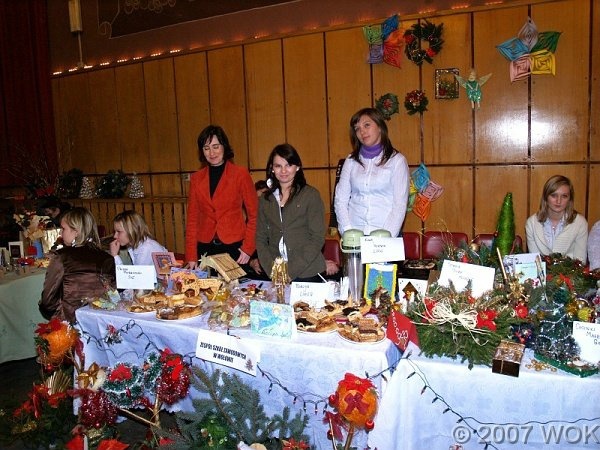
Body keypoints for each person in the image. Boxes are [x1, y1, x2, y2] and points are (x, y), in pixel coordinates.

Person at [256, 143, 337, 281]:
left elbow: (317, 238)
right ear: (272, 169)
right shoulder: (265, 199)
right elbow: (260, 238)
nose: (283, 171)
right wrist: (273, 271)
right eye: (278, 166)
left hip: (308, 272)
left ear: (297, 167)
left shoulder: (310, 195)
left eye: (288, 165)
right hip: (276, 273)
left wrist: (290, 271)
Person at [185, 125, 258, 270]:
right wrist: (191, 255)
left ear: (224, 146)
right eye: (206, 148)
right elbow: (192, 220)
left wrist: (248, 248)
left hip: (235, 248)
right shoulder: (196, 179)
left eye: (216, 146)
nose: (211, 153)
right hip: (205, 248)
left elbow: (255, 216)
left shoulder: (241, 174)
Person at [334, 107, 410, 237]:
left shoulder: (397, 161)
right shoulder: (351, 161)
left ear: (380, 127)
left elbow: (399, 205)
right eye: (357, 128)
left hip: (386, 234)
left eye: (367, 125)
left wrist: (385, 237)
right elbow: (340, 199)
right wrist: (347, 231)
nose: (362, 131)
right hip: (355, 234)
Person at [39, 207, 116, 323]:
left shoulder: (62, 257)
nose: (60, 232)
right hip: (101, 323)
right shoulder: (107, 258)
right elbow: (113, 296)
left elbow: (48, 300)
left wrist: (55, 311)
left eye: (63, 228)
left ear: (76, 232)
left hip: (70, 323)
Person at [525, 175, 588, 262]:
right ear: (546, 197)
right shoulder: (532, 223)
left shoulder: (580, 223)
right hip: (541, 270)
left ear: (569, 199)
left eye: (564, 196)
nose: (559, 201)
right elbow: (535, 262)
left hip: (572, 270)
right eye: (554, 195)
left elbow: (580, 261)